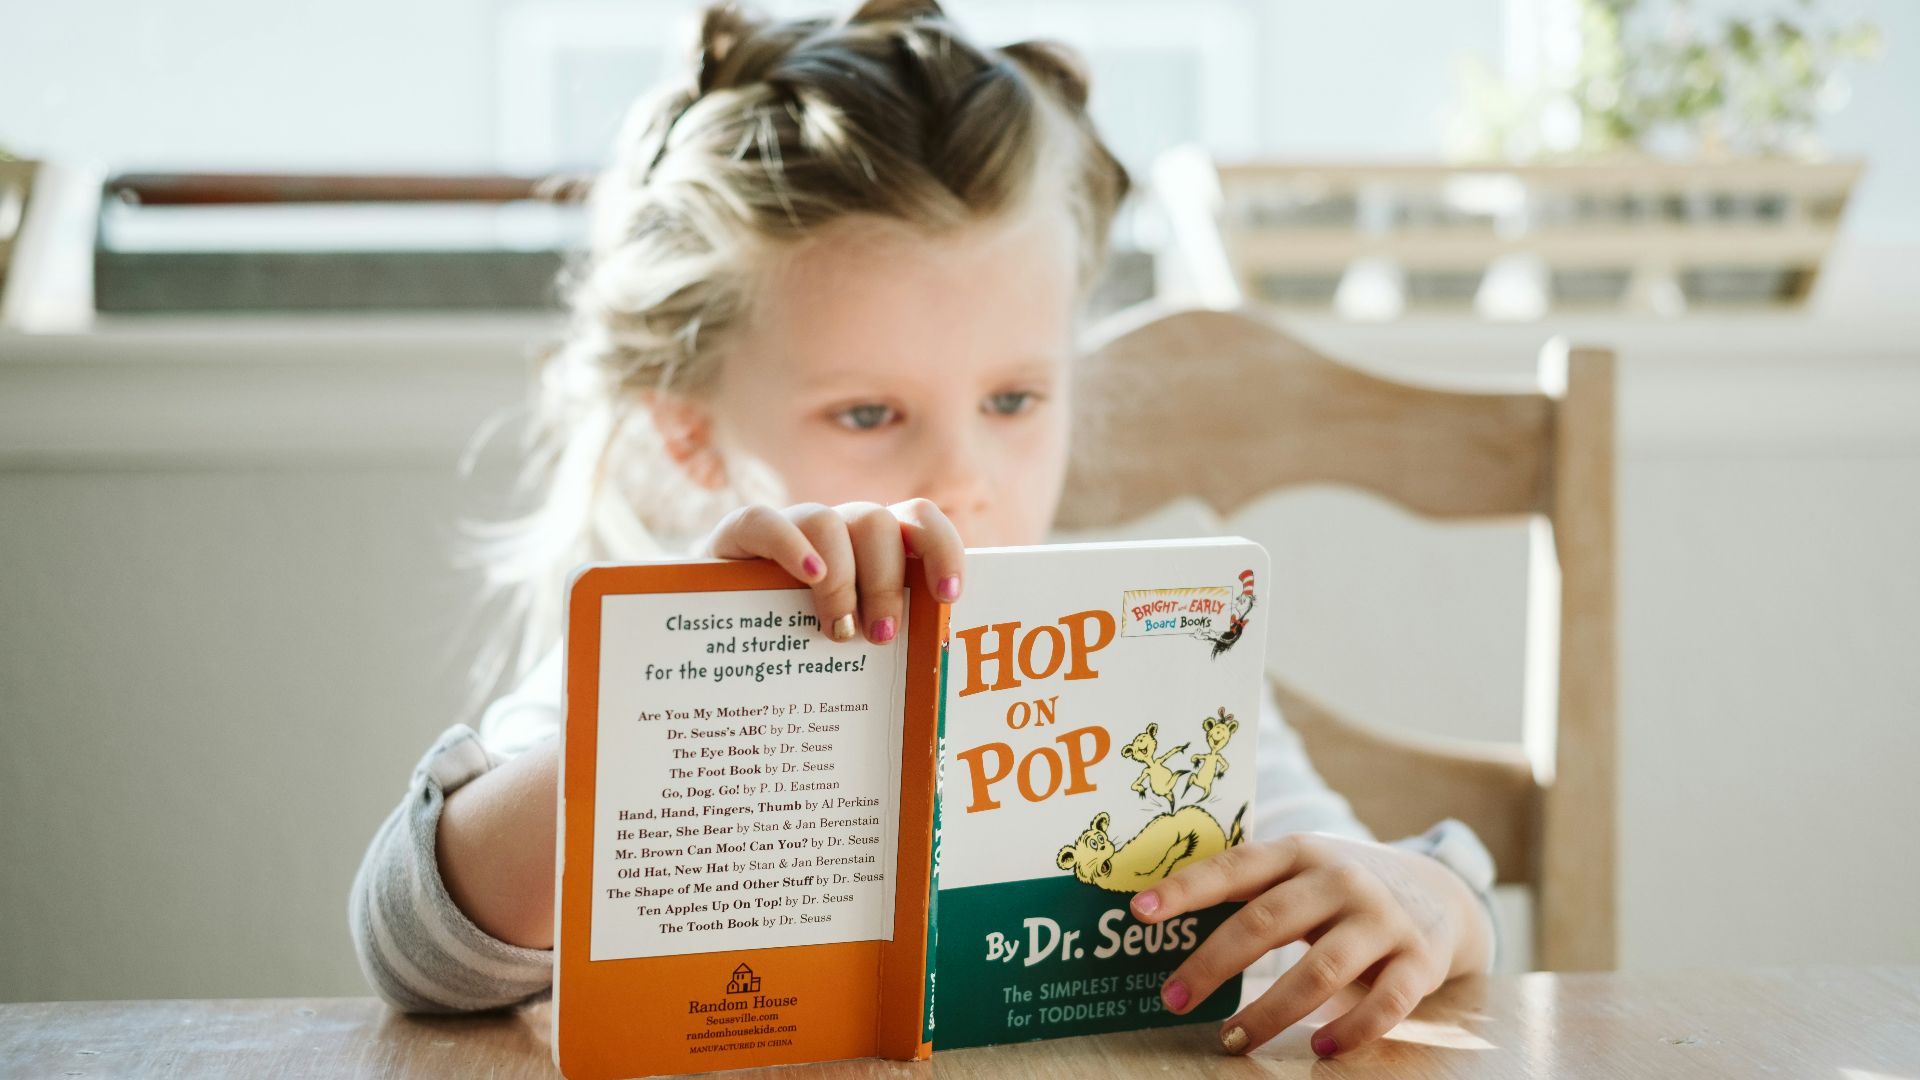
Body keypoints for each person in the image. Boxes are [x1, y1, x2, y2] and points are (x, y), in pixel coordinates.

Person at [348, 0, 1498, 1059]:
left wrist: (1433, 906)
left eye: (1013, 401)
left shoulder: (1159, 660)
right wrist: (672, 702)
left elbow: (1394, 894)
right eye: (867, 412)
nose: (961, 476)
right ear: (691, 437)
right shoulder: (655, 653)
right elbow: (415, 949)